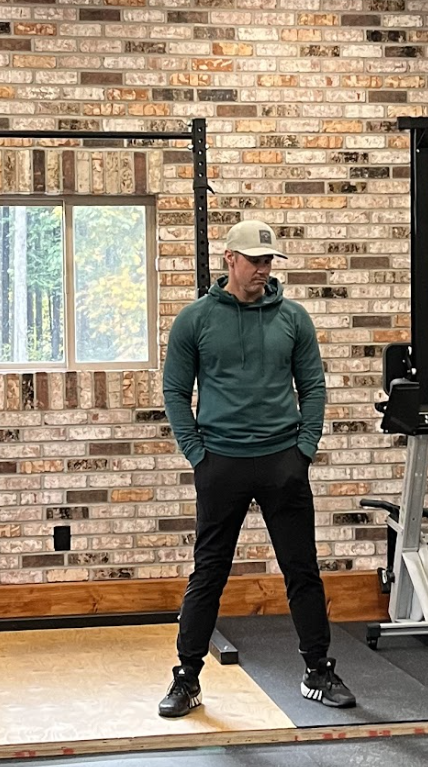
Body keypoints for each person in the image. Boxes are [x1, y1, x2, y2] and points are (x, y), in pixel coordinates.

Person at [157, 219, 355, 718]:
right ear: (230, 260)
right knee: (210, 572)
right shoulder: (195, 320)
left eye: (269, 262)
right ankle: (187, 678)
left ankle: (317, 670)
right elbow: (176, 393)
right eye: (255, 261)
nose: (263, 271)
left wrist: (303, 449)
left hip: (282, 462)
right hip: (220, 461)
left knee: (301, 570)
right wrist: (198, 454)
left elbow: (313, 389)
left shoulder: (293, 319)